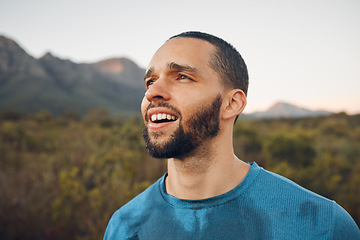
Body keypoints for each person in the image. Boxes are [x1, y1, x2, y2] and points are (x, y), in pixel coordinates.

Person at [104, 31, 360, 239]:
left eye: (182, 76)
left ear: (231, 104)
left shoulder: (322, 225)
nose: (152, 93)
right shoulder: (124, 226)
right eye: (150, 81)